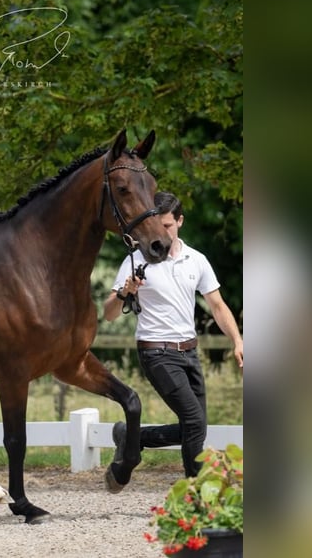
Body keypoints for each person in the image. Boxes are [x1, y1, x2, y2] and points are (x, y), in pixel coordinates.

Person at [103, 191, 243, 477]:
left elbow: (217, 306)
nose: (161, 232)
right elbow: (109, 312)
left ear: (180, 221)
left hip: (189, 352)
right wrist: (124, 292)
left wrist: (238, 341)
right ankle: (196, 494)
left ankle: (133, 439)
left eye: (167, 225)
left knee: (195, 427)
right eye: (158, 224)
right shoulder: (137, 259)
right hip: (156, 352)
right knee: (193, 421)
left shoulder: (197, 260)